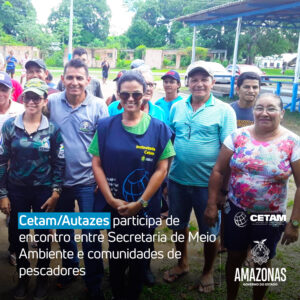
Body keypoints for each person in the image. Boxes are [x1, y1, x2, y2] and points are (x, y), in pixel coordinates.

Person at [88, 70, 175, 300]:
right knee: (116, 253)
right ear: (117, 94)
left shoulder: (159, 128)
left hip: (145, 207)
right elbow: (96, 163)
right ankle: (117, 291)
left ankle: (133, 292)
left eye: (136, 94)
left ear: (145, 94)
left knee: (139, 255)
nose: (130, 99)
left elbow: (161, 169)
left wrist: (142, 201)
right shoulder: (105, 126)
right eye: (124, 94)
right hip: (115, 205)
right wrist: (110, 199)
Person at [204, 93, 300, 300]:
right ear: (253, 111)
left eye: (271, 108)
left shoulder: (293, 142)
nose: (264, 113)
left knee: (261, 258)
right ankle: (232, 297)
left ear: (282, 113)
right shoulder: (238, 136)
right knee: (234, 255)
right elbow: (218, 171)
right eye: (259, 108)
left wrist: (294, 223)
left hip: (270, 215)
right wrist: (212, 203)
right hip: (236, 209)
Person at [163, 62, 237, 293]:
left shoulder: (224, 111)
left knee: (209, 232)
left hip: (208, 186)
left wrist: (223, 192)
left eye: (204, 79)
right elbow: (171, 142)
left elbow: (230, 153)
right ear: (187, 83)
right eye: (194, 79)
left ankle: (207, 271)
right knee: (178, 226)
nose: (199, 83)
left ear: (212, 82)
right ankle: (182, 263)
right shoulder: (177, 107)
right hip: (177, 181)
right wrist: (166, 178)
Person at [48, 59, 108, 300]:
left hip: (88, 182)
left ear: (87, 81)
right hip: (59, 183)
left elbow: (104, 146)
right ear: (62, 79)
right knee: (63, 231)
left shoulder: (98, 106)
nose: (74, 82)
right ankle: (71, 267)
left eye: (79, 78)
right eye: (69, 77)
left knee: (91, 235)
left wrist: (100, 180)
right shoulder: (51, 102)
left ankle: (94, 282)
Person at [0, 78, 65, 300]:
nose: (32, 101)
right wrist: (3, 194)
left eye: (37, 97)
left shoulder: (53, 130)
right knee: (18, 237)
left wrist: (56, 191)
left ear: (44, 100)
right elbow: (2, 160)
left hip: (43, 192)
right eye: (29, 97)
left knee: (43, 238)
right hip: (16, 190)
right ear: (23, 98)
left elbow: (59, 162)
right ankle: (23, 279)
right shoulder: (10, 126)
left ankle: (42, 281)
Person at [0, 71, 24, 266]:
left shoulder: (20, 110)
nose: (0, 93)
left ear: (10, 90)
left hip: (12, 170)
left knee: (13, 214)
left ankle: (15, 250)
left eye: (3, 89)